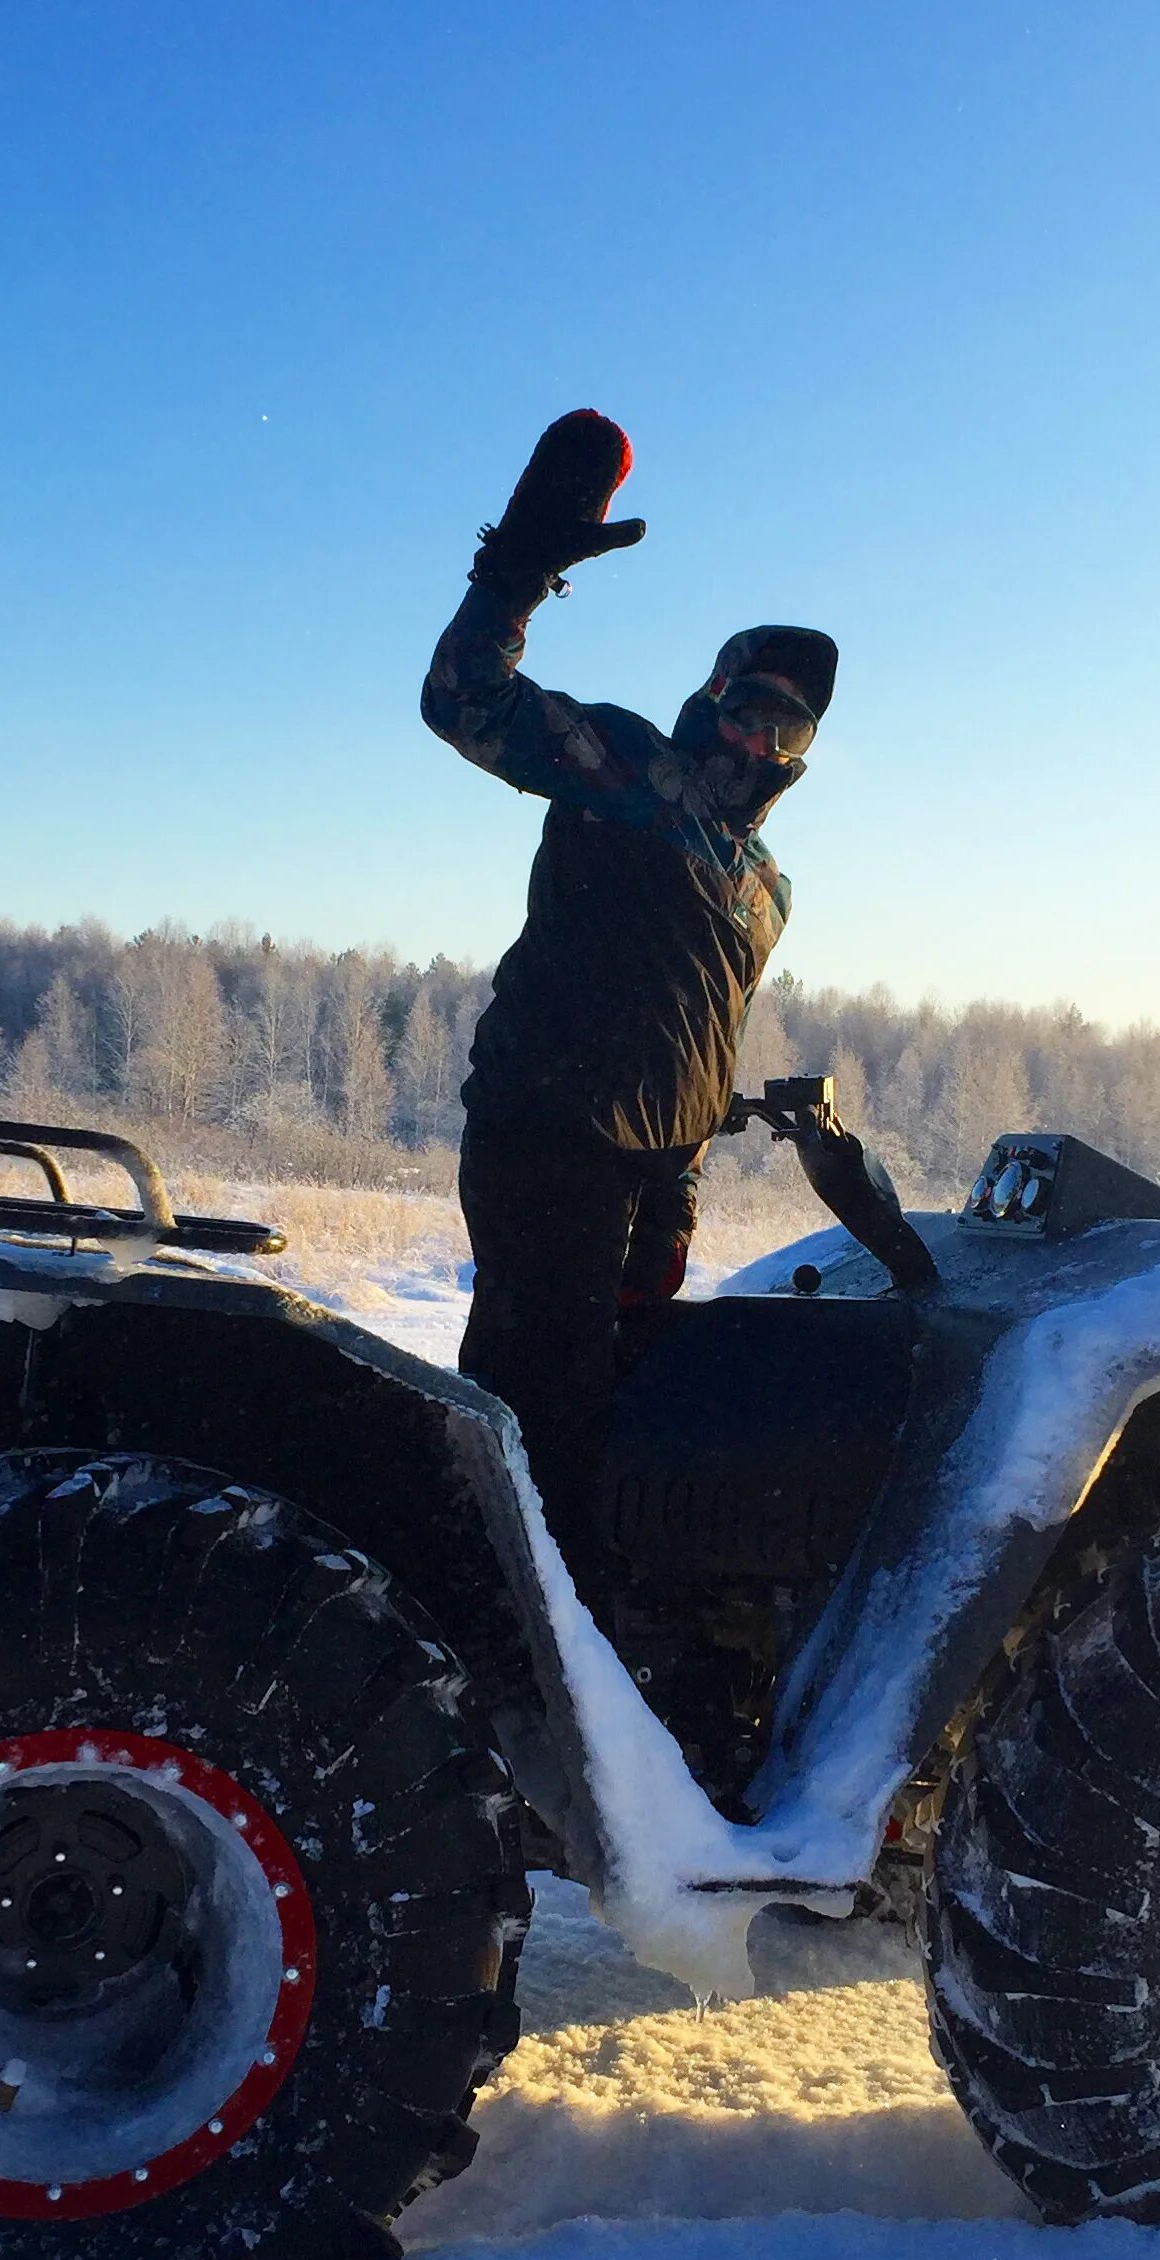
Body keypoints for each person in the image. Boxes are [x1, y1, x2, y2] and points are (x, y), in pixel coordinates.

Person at [421, 412, 836, 1580]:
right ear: (712, 696)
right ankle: (481, 1631)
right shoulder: (627, 770)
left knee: (615, 1412)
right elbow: (465, 703)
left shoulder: (763, 890)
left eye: (788, 723)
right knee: (530, 1408)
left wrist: (679, 1208)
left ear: (802, 752)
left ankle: (575, 1626)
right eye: (750, 701)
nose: (760, 734)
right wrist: (514, 576)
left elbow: (706, 1048)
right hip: (547, 1138)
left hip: (648, 1178)